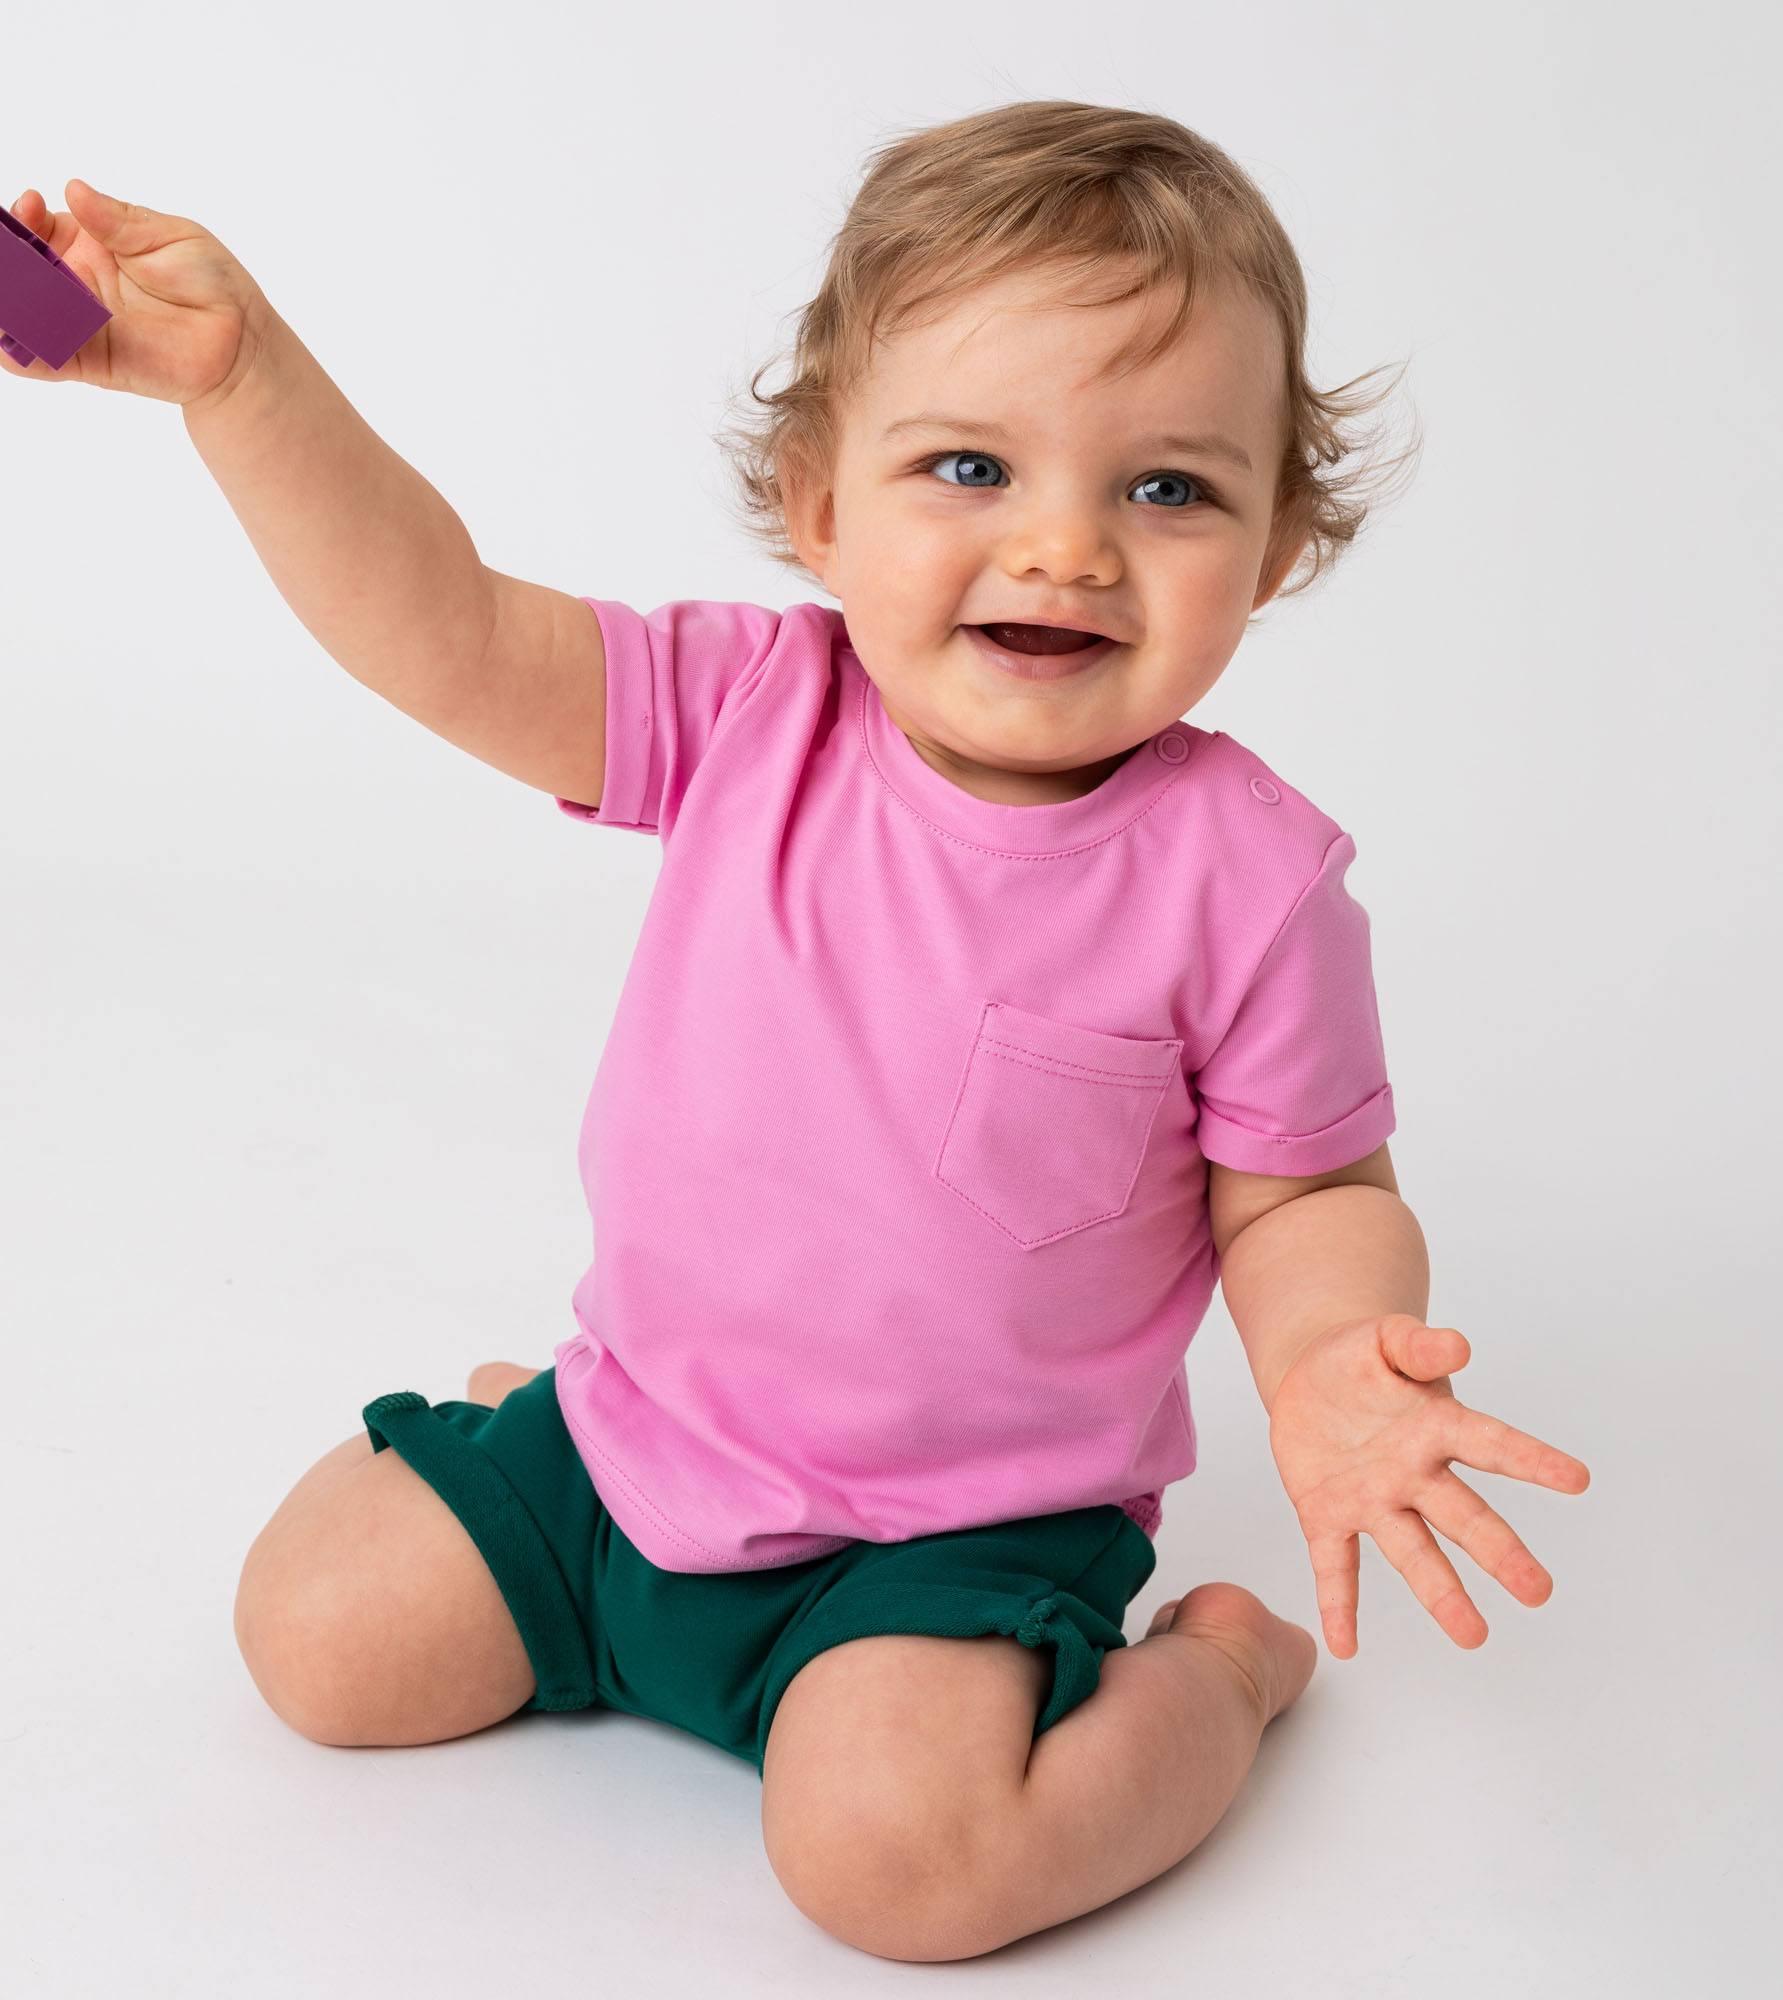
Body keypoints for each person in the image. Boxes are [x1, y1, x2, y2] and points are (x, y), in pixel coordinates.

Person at [3, 99, 1590, 1963]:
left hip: (958, 1537)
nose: (1067, 545)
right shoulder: (754, 712)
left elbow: (1307, 1193)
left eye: (1168, 489)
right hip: (642, 1433)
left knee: (899, 1872)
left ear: (1276, 541)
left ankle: (1218, 1688)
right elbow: (439, 624)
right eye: (971, 467)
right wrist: (242, 383)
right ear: (822, 505)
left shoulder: (1250, 883)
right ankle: (541, 1433)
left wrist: (1330, 1359)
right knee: (318, 1640)